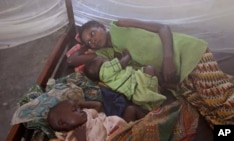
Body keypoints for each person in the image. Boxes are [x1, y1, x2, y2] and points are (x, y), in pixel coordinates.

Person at [72, 19, 234, 127]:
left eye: (92, 34)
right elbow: (71, 61)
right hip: (178, 79)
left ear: (101, 26)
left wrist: (168, 57)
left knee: (219, 101)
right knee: (209, 112)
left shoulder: (119, 25)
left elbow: (162, 28)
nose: (92, 40)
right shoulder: (108, 57)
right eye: (89, 41)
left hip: (188, 53)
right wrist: (85, 45)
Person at [83, 49, 167, 111]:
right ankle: (163, 84)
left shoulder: (104, 81)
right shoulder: (106, 68)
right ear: (100, 62)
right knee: (149, 68)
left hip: (135, 97)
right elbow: (122, 63)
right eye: (102, 58)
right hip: (137, 85)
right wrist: (127, 55)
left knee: (151, 103)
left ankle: (156, 100)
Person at [47, 100, 147, 141]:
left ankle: (152, 118)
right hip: (114, 137)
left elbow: (98, 105)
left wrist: (81, 104)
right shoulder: (72, 136)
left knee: (131, 109)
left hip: (123, 126)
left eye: (78, 108)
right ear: (62, 123)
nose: (80, 111)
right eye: (75, 110)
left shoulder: (86, 114)